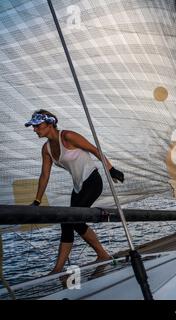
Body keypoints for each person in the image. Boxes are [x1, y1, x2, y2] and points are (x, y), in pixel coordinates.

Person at [25, 109, 125, 274]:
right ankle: (63, 268)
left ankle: (95, 257)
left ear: (49, 123)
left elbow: (95, 150)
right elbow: (44, 175)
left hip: (92, 181)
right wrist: (37, 201)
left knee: (71, 220)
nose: (34, 129)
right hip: (78, 187)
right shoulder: (46, 149)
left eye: (37, 125)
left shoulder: (68, 136)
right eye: (33, 126)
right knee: (69, 222)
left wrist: (111, 169)